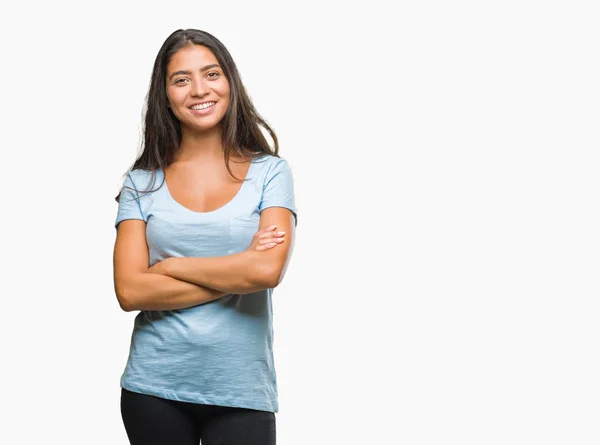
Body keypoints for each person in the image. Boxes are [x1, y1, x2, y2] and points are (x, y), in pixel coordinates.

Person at [113, 28, 297, 445]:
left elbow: (267, 270)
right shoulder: (140, 183)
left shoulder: (270, 172)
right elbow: (129, 290)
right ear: (165, 95)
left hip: (242, 391)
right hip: (152, 388)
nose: (199, 89)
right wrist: (237, 271)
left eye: (211, 74)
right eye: (181, 79)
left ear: (229, 81)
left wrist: (174, 267)